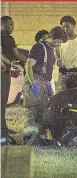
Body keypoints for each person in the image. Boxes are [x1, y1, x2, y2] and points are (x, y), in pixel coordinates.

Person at [23, 26, 68, 145]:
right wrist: (33, 83)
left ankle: (41, 140)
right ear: (52, 37)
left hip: (44, 82)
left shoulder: (50, 49)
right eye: (58, 41)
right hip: (35, 80)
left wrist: (49, 88)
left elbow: (47, 70)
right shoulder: (39, 47)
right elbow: (28, 65)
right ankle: (30, 141)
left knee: (43, 112)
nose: (59, 45)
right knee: (32, 112)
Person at [1, 16, 27, 145]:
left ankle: (3, 128)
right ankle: (2, 133)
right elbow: (16, 55)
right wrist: (27, 61)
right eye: (10, 25)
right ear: (2, 24)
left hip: (5, 71)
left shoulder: (7, 38)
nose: (13, 27)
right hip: (3, 72)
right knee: (2, 101)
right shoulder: (5, 38)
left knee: (3, 101)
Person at [56, 16, 77, 92]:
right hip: (63, 76)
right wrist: (57, 61)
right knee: (62, 100)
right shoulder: (60, 42)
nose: (65, 29)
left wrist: (74, 65)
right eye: (63, 27)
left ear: (73, 26)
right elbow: (56, 56)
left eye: (67, 26)